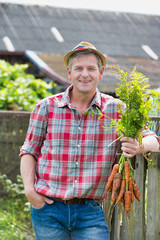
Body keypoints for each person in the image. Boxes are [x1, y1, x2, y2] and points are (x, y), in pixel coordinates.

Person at [20, 41, 160, 240]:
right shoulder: (46, 107)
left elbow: (154, 140)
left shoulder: (117, 110)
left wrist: (140, 147)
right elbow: (29, 151)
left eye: (90, 68)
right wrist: (29, 191)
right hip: (48, 209)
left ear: (100, 73)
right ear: (69, 73)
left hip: (90, 212)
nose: (84, 74)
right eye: (78, 68)